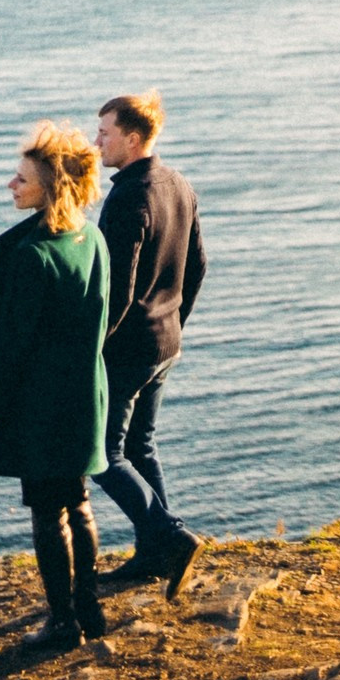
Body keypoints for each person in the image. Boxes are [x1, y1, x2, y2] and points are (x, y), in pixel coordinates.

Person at [0, 121, 112, 650]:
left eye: (21, 178)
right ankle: (90, 610)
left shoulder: (32, 255)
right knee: (79, 501)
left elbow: (13, 346)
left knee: (47, 512)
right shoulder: (89, 236)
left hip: (42, 405)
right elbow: (104, 314)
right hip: (84, 394)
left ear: (51, 188)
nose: (10, 185)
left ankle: (63, 622)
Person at [91, 91, 207, 599]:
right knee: (140, 445)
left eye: (104, 134)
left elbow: (117, 286)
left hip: (130, 346)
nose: (97, 144)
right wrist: (174, 319)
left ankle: (172, 536)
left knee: (101, 453)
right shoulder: (178, 183)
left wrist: (93, 346)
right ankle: (154, 553)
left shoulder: (129, 196)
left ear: (132, 139)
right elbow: (198, 264)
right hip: (166, 341)